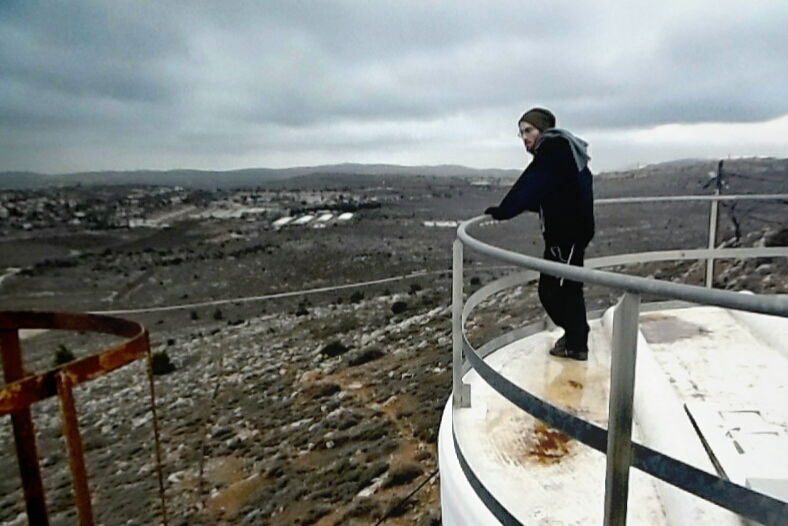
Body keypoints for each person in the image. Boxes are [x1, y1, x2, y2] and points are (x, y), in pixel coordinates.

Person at [484, 107, 594, 361]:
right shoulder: (565, 149)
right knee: (569, 288)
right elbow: (556, 189)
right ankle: (576, 341)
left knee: (553, 291)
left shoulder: (552, 149)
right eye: (521, 133)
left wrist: (504, 210)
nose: (524, 138)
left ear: (542, 130)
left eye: (529, 130)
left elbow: (531, 184)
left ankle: (577, 339)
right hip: (572, 233)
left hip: (566, 236)